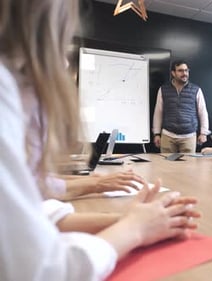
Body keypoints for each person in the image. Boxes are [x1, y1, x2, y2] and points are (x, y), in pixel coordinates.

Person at [0, 1, 200, 280]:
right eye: (61, 40)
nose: (67, 62)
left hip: (188, 135)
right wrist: (134, 229)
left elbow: (32, 213)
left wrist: (132, 219)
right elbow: (45, 271)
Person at [152, 60, 210, 153]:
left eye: (186, 70)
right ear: (173, 73)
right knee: (166, 166)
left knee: (188, 167)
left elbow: (203, 112)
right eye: (180, 70)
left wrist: (204, 133)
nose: (185, 73)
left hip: (189, 137)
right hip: (168, 136)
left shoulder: (196, 90)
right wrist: (157, 134)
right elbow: (158, 112)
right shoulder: (163, 89)